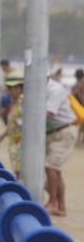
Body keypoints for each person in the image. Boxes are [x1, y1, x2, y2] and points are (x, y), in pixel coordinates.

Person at [44, 70, 78, 217]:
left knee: (51, 167)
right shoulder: (38, 89)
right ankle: (61, 206)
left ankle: (52, 203)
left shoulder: (55, 89)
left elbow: (48, 113)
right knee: (55, 170)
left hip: (64, 131)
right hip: (53, 132)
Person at [0, 73, 24, 179]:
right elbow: (12, 124)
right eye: (9, 88)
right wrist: (1, 137)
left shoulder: (24, 102)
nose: (10, 90)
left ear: (20, 87)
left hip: (22, 145)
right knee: (17, 173)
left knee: (21, 174)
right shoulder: (14, 103)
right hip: (14, 144)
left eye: (13, 88)